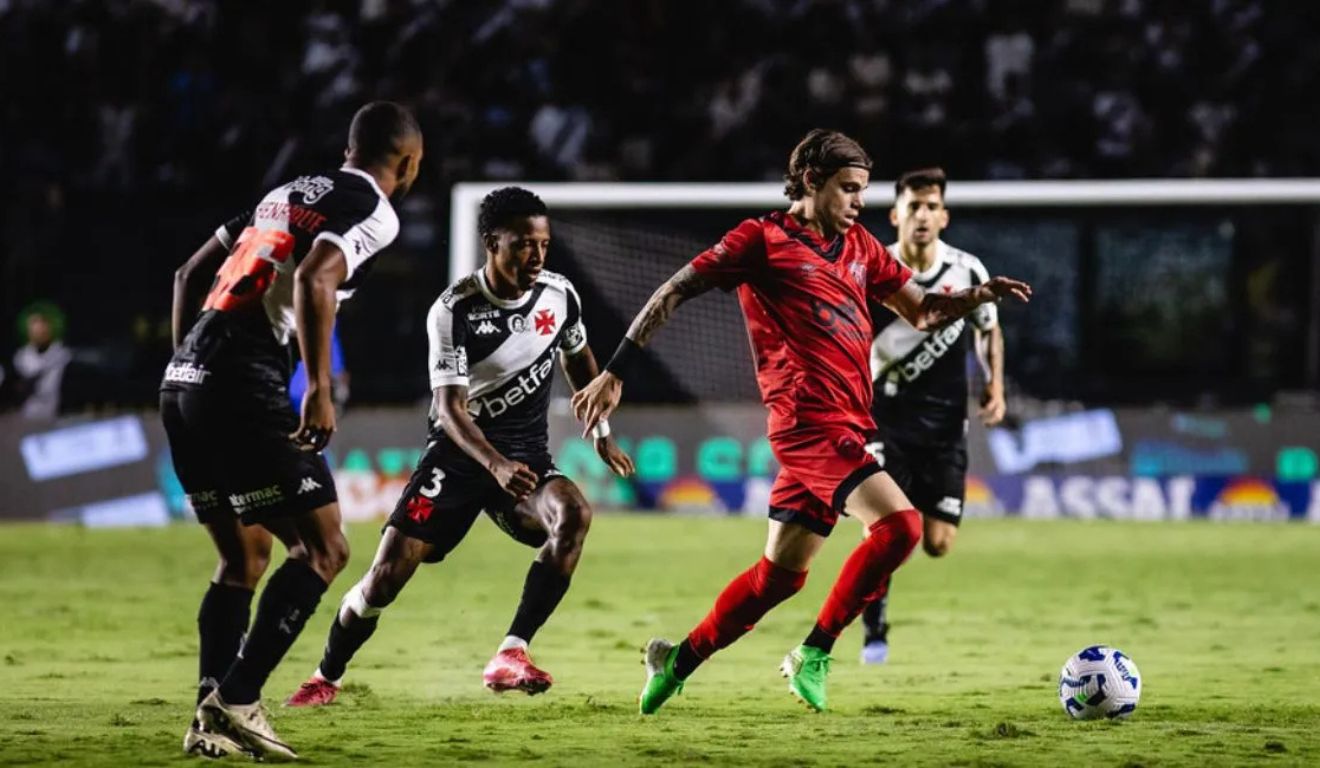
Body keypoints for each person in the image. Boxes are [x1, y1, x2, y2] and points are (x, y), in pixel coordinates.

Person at [572, 129, 1030, 714]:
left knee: (778, 579)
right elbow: (675, 289)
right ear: (811, 181)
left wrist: (976, 296)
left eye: (863, 190)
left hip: (849, 424)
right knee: (901, 528)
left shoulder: (862, 245)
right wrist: (615, 371)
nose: (860, 202)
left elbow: (923, 312)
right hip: (807, 426)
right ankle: (815, 653)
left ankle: (676, 660)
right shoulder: (759, 240)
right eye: (849, 189)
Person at [285, 187, 634, 707]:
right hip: (458, 457)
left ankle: (511, 654)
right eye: (523, 246)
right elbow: (450, 409)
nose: (537, 257)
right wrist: (493, 463)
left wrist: (602, 433)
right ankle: (324, 675)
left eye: (543, 245)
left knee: (573, 514)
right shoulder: (454, 310)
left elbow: (581, 361)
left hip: (526, 461)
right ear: (492, 243)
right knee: (384, 579)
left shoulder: (560, 295)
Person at [161, 101, 422, 761]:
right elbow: (315, 277)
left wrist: (187, 360)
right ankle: (238, 699)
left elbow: (187, 275)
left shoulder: (284, 193)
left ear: (347, 147)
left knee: (242, 559)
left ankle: (207, 722)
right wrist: (320, 389)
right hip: (243, 383)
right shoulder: (375, 209)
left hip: (185, 378)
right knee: (325, 549)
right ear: (409, 161)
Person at [859, 167, 1007, 665]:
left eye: (931, 206)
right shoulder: (874, 270)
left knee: (937, 542)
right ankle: (873, 623)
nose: (922, 215)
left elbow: (988, 329)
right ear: (896, 214)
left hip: (945, 425)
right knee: (887, 528)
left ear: (943, 216)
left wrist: (994, 382)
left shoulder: (968, 270)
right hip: (886, 418)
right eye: (913, 206)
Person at [11, 302, 73, 420]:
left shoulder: (63, 354)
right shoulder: (21, 357)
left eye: (43, 324)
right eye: (34, 324)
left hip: (56, 415)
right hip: (28, 417)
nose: (39, 330)